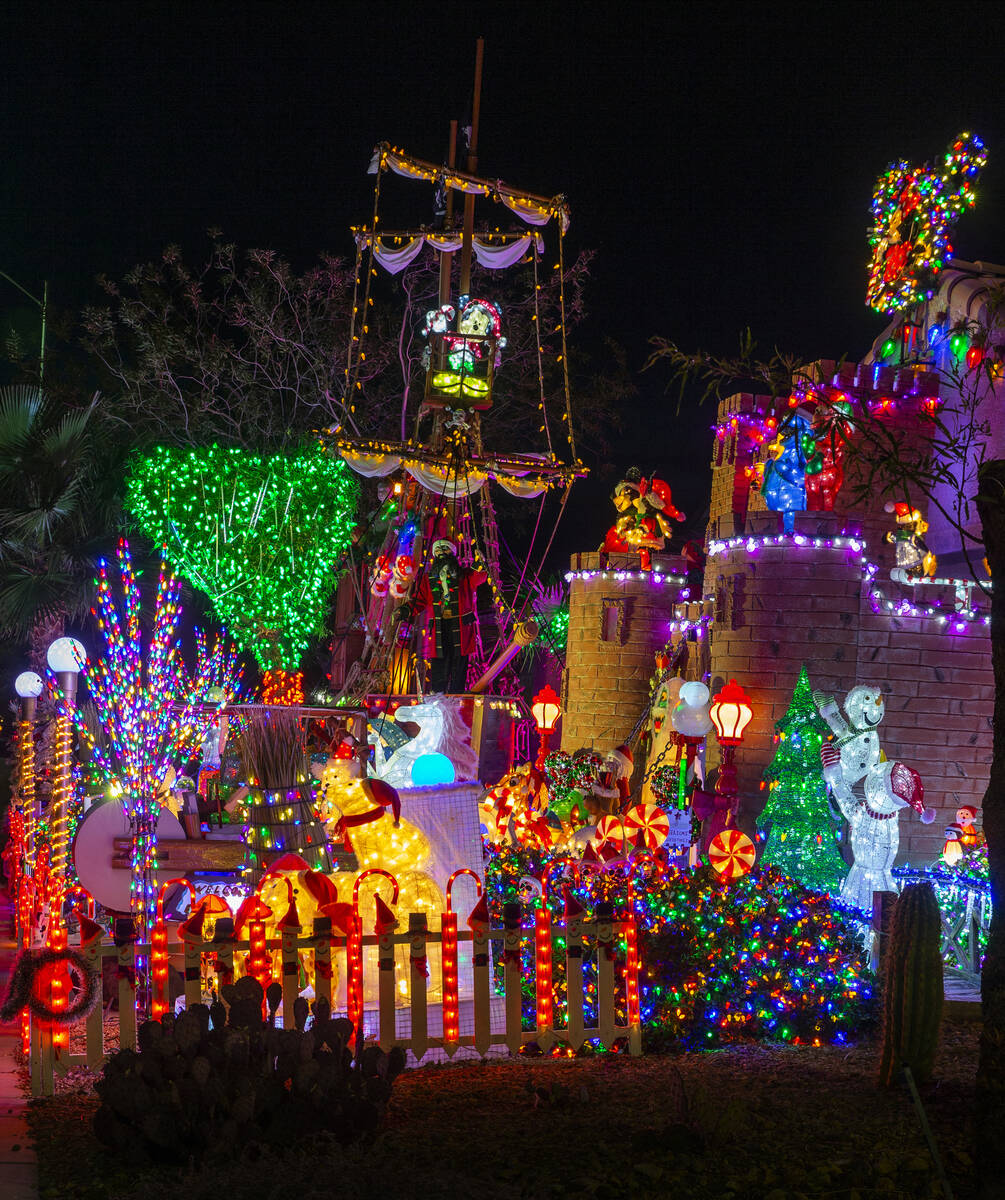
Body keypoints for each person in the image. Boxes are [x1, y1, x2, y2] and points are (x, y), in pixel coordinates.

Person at [406, 540, 486, 693]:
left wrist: (479, 563)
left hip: (460, 628)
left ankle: (456, 701)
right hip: (439, 627)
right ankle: (438, 700)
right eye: (438, 549)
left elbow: (479, 577)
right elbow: (419, 600)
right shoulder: (428, 579)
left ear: (453, 552)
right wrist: (405, 610)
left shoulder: (464, 575)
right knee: (439, 667)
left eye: (445, 548)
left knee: (458, 668)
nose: (441, 552)